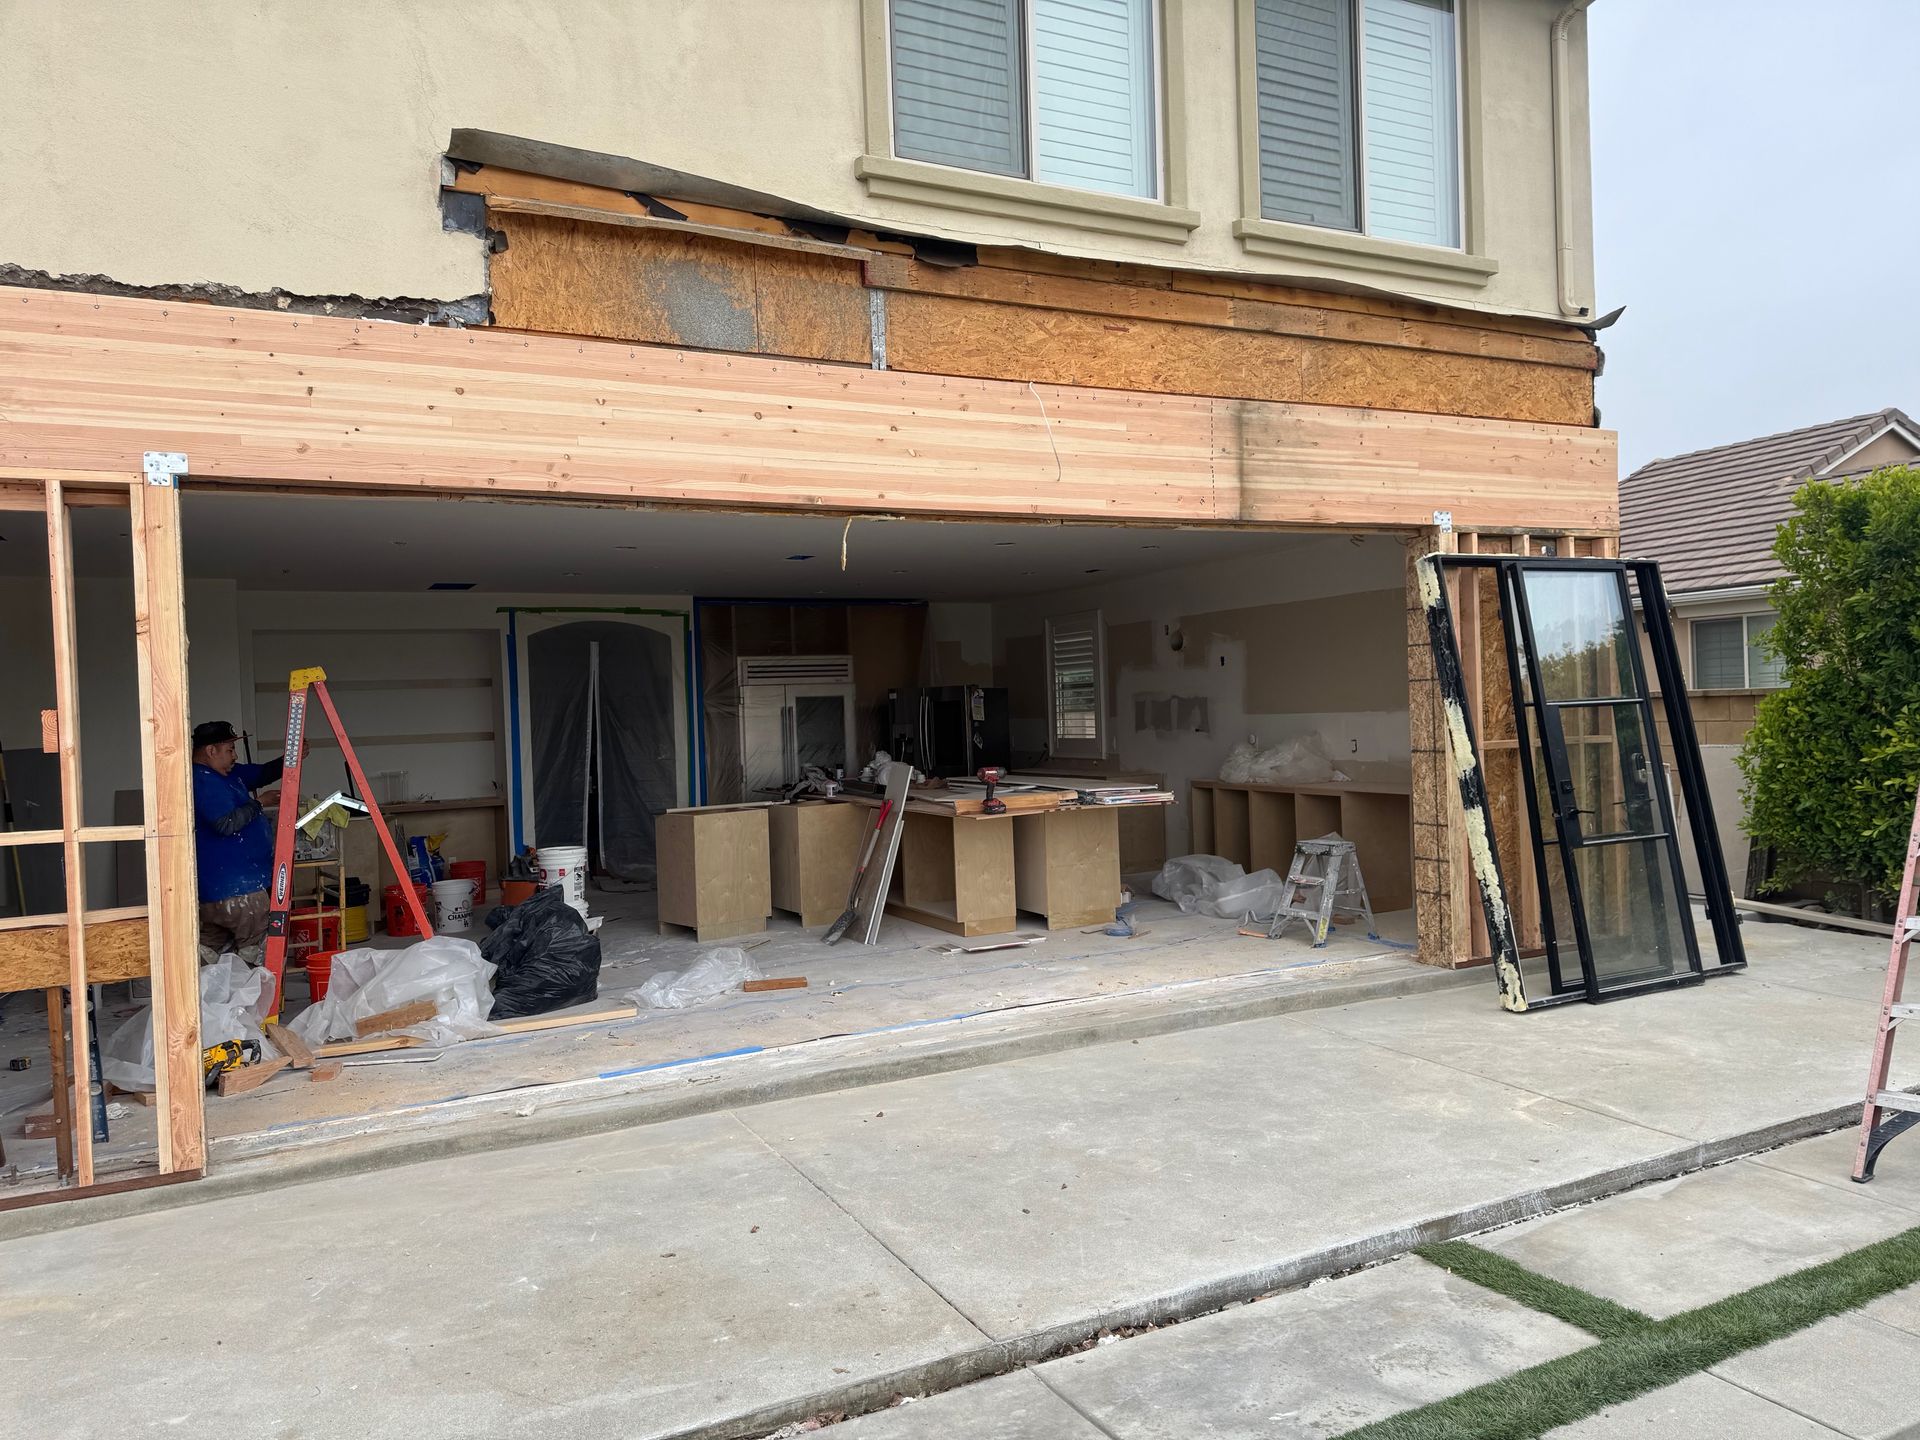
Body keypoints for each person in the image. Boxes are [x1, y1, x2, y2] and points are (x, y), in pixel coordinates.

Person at [191, 720, 285, 964]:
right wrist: (260, 803)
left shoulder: (227, 774)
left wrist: (292, 757)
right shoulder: (203, 780)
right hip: (237, 890)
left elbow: (262, 773)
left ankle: (216, 1000)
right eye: (230, 750)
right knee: (252, 954)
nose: (234, 756)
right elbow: (225, 824)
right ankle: (252, 998)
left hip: (226, 891)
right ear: (211, 751)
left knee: (209, 952)